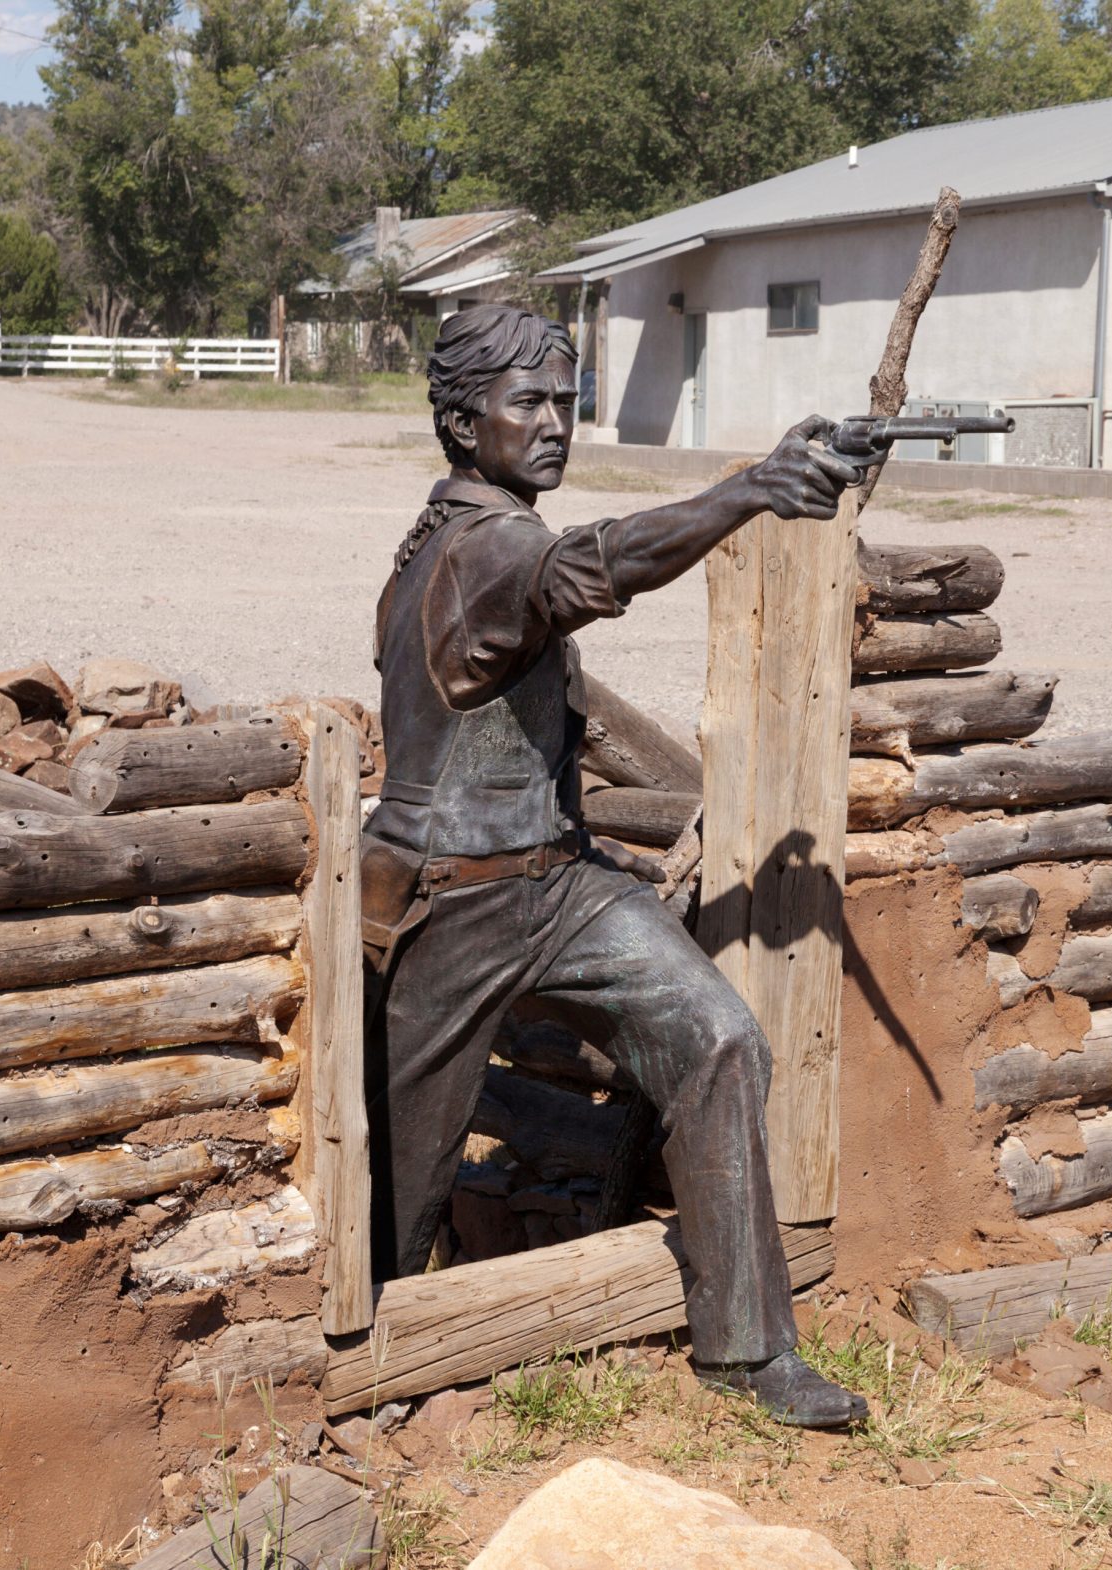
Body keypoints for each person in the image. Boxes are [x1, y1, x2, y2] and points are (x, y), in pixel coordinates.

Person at [360, 303, 867, 1428]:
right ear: (461, 420)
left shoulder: (485, 530)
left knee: (717, 1037)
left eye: (564, 401)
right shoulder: (484, 548)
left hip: (557, 883)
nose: (555, 424)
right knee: (402, 1170)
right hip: (448, 903)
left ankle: (747, 1350)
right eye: (526, 403)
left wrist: (774, 477)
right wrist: (746, 491)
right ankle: (374, 1366)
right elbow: (596, 564)